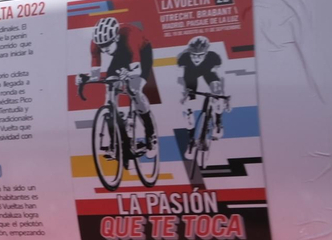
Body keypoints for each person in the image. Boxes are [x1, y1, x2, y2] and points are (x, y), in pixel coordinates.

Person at [80, 16, 159, 156]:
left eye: (106, 46)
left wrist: (129, 73)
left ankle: (151, 134)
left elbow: (136, 69)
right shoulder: (96, 43)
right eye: (101, 46)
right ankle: (115, 143)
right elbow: (95, 73)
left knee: (134, 89)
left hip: (141, 52)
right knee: (109, 93)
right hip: (120, 56)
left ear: (115, 38)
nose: (104, 50)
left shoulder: (130, 36)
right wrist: (86, 78)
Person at [177, 35, 228, 140]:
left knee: (217, 88)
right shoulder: (184, 57)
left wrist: (223, 96)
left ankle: (218, 122)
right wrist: (184, 94)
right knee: (187, 104)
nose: (196, 58)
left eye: (200, 55)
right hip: (191, 76)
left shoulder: (213, 57)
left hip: (208, 73)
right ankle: (190, 136)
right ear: (189, 53)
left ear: (206, 53)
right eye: (193, 55)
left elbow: (221, 76)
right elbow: (179, 77)